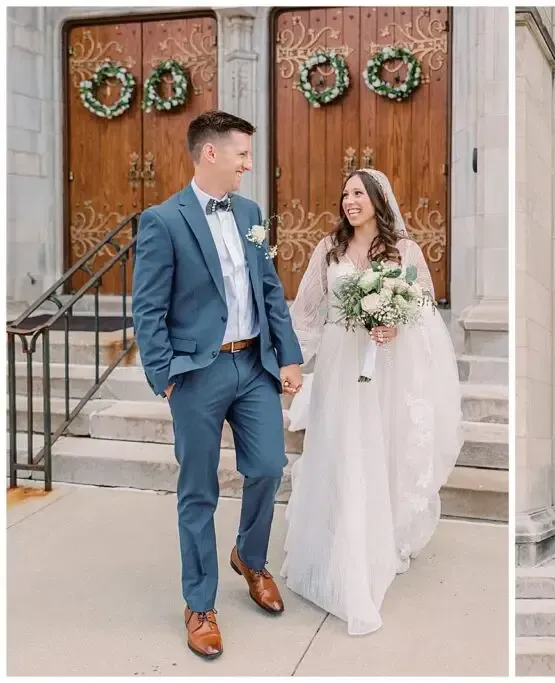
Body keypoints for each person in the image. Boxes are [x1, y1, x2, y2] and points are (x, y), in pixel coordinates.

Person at [132, 110, 304, 660]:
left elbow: (269, 290)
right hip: (197, 372)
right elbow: (149, 307)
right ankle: (200, 603)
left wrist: (290, 357)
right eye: (242, 156)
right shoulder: (163, 220)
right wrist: (165, 375)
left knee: (269, 467)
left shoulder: (251, 212)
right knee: (199, 491)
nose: (249, 166)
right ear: (211, 153)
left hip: (253, 366)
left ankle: (250, 558)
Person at [282, 168, 463, 635]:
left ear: (378, 199)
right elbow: (305, 312)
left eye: (358, 193)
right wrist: (291, 364)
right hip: (341, 366)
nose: (349, 201)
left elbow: (423, 308)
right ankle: (335, 547)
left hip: (385, 369)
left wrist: (396, 324)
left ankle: (379, 540)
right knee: (340, 448)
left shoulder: (405, 252)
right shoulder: (329, 249)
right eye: (345, 194)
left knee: (381, 446)